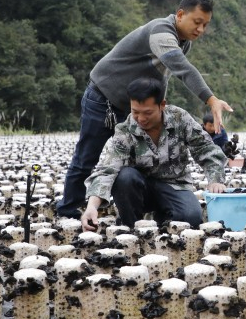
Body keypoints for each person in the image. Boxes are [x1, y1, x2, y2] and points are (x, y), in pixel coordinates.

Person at [57, 0, 232, 218]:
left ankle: (148, 208)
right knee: (87, 158)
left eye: (205, 25)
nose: (200, 30)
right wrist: (211, 99)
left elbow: (162, 78)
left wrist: (158, 107)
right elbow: (180, 67)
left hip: (135, 107)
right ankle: (69, 211)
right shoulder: (161, 33)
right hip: (104, 97)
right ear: (180, 15)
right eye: (197, 22)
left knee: (142, 161)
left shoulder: (183, 42)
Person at [80, 77, 226, 231]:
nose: (141, 119)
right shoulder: (125, 130)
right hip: (140, 189)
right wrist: (91, 207)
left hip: (174, 184)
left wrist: (215, 179)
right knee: (125, 177)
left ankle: (161, 217)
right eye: (135, 112)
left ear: (162, 105)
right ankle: (131, 227)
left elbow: (206, 148)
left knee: (191, 218)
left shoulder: (179, 118)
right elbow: (107, 169)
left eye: (147, 113)